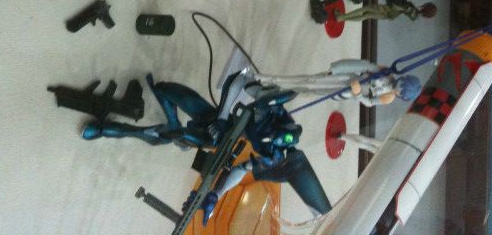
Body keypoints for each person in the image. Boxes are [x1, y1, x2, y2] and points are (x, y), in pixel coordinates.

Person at [81, 71, 332, 224]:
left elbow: (240, 169)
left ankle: (112, 130)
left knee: (173, 135)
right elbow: (238, 80)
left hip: (221, 137)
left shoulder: (272, 157)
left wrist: (215, 195)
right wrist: (222, 118)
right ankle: (172, 121)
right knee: (165, 89)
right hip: (220, 120)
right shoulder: (275, 109)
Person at [257, 58, 422, 107]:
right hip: (344, 79)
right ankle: (270, 79)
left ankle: (273, 91)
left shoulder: (389, 97)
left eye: (401, 92)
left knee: (308, 91)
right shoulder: (387, 72)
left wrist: (358, 94)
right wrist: (337, 68)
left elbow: (369, 102)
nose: (398, 89)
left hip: (344, 93)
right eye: (401, 85)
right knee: (309, 80)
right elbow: (362, 65)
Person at [334, 0, 437, 23]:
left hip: (387, 9)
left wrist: (393, 3)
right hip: (388, 16)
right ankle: (342, 18)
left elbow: (401, 8)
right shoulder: (415, 15)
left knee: (365, 9)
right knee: (366, 15)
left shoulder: (412, 9)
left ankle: (342, 17)